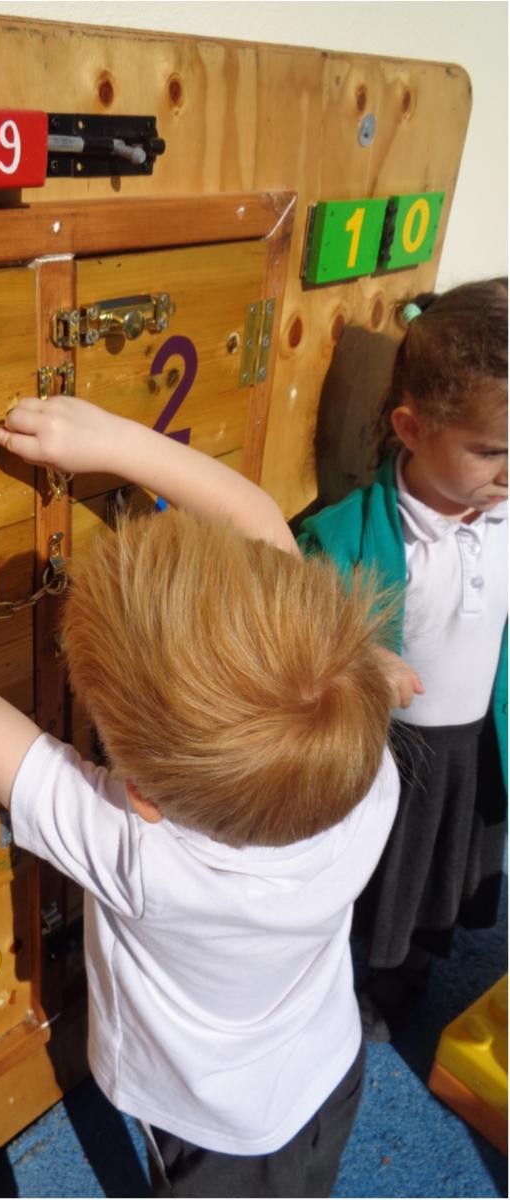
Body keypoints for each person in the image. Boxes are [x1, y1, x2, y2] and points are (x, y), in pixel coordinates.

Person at [0, 394, 400, 1198]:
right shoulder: (363, 771)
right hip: (329, 1066)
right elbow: (262, 524)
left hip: (214, 1138)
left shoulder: (139, 854)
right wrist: (111, 439)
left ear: (144, 796)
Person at [299, 278, 508, 1041]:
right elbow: (298, 628)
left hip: (472, 746)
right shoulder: (346, 534)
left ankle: (412, 965)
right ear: (412, 429)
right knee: (375, 878)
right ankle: (355, 986)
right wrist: (360, 659)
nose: (508, 473)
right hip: (395, 754)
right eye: (490, 452)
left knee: (440, 878)